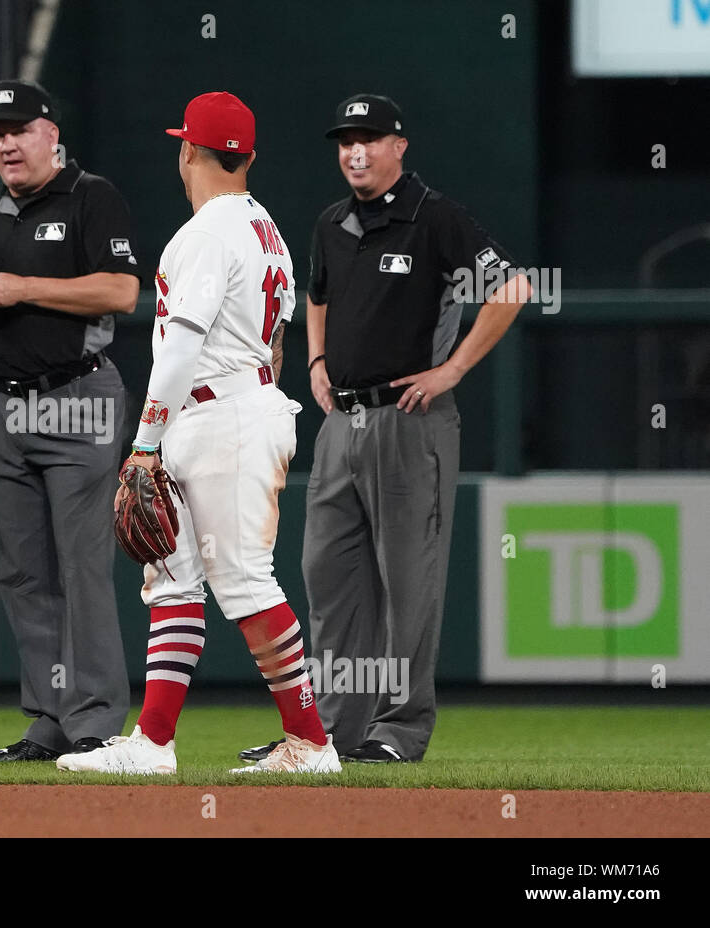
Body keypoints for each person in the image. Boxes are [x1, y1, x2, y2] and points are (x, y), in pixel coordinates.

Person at [240, 94, 531, 766]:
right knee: (328, 574)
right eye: (345, 140)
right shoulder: (331, 222)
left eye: (370, 139)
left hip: (412, 422)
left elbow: (511, 287)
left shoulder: (435, 218)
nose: (355, 152)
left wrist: (453, 368)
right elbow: (317, 294)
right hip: (343, 421)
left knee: (409, 585)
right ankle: (332, 732)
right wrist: (315, 359)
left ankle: (400, 729)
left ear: (401, 146)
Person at [56, 92, 340, 776]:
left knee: (243, 578)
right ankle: (153, 744)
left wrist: (144, 442)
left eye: (181, 145)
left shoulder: (209, 233)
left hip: (223, 418)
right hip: (228, 408)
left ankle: (312, 742)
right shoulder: (263, 225)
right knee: (175, 581)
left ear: (188, 149)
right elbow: (271, 345)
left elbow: (180, 348)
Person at [0, 78, 138, 762]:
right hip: (2, 401)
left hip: (77, 397)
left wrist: (25, 288)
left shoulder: (91, 197)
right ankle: (48, 719)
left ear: (51, 133)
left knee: (82, 567)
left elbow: (122, 290)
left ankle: (97, 721)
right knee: (24, 574)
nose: (7, 143)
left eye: (19, 129)